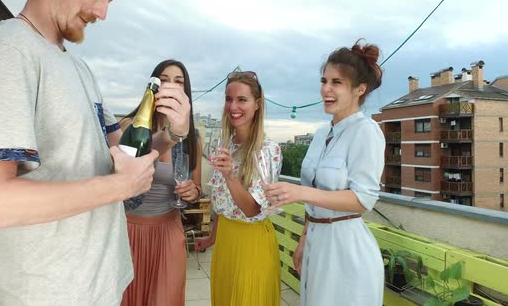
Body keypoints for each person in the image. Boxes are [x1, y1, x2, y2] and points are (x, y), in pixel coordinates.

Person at [0, 0, 191, 304]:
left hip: (100, 284)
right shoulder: (7, 52)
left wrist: (174, 133)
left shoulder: (78, 68)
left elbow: (124, 152)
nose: (103, 12)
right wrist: (118, 188)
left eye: (110, 0)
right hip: (54, 294)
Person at [265, 39, 386, 305]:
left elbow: (363, 199)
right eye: (324, 81)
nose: (326, 90)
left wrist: (300, 192)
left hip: (346, 249)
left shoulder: (366, 132)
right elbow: (314, 193)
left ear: (359, 89)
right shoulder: (321, 134)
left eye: (337, 83)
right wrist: (303, 240)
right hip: (316, 243)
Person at [195, 71, 282, 306]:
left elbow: (253, 209)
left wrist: (230, 175)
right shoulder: (226, 146)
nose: (233, 106)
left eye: (242, 99)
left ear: (257, 104)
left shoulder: (268, 151)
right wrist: (211, 238)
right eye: (228, 98)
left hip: (251, 245)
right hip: (225, 242)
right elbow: (224, 206)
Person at [120, 60, 202, 306]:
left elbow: (197, 189)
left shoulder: (192, 138)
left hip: (168, 233)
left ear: (186, 94)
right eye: (164, 80)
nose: (171, 86)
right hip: (128, 231)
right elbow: (116, 181)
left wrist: (192, 191)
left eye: (179, 82)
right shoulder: (130, 127)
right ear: (154, 87)